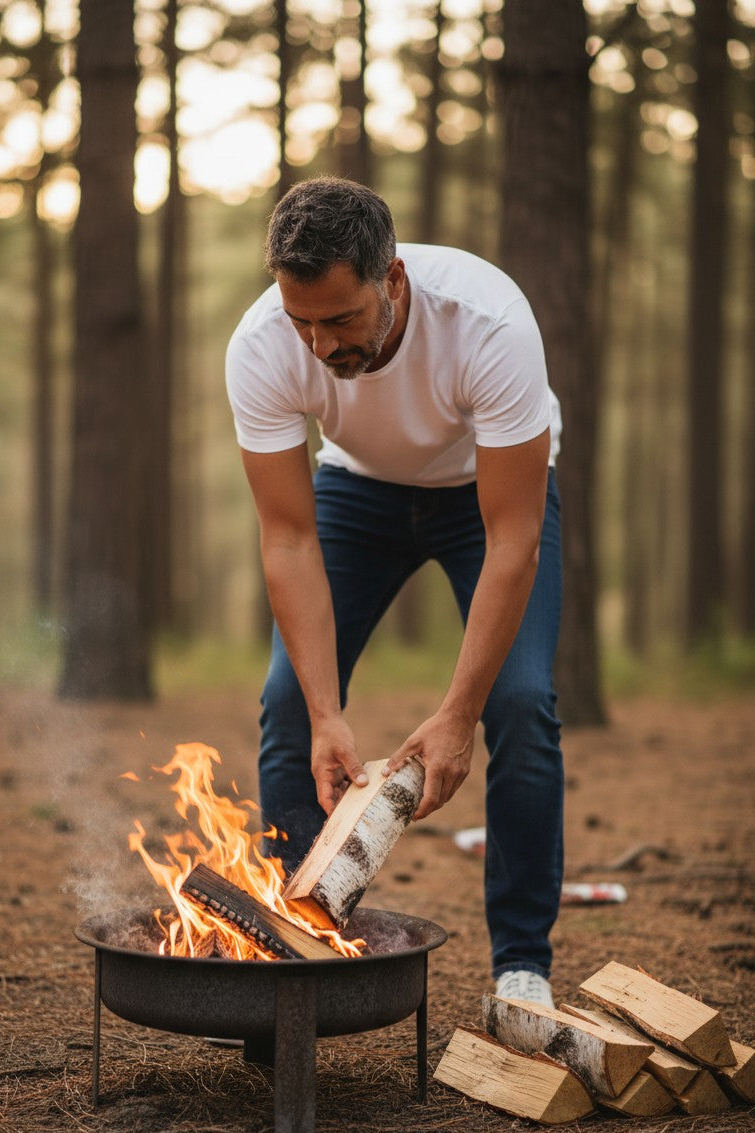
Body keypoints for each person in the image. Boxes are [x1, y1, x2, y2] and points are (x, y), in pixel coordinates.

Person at [225, 177, 563, 1007]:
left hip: (485, 496)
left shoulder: (489, 322)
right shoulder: (263, 345)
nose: (317, 343)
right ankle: (299, 951)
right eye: (302, 320)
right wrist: (326, 711)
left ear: (393, 280)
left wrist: (456, 714)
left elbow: (513, 539)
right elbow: (288, 536)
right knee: (287, 705)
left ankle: (521, 968)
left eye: (340, 319)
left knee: (519, 705)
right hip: (356, 494)